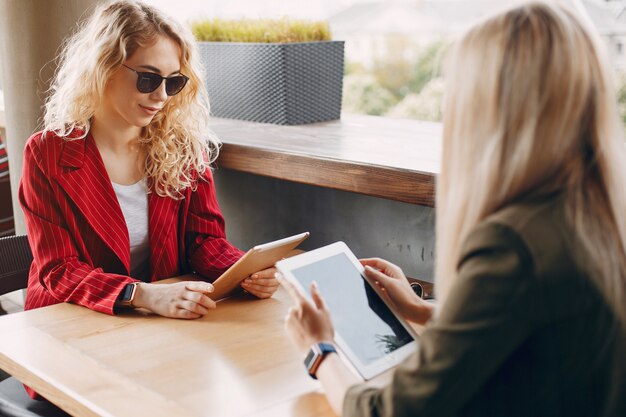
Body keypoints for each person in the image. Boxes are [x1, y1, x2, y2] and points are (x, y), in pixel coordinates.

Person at [280, 2, 626, 416]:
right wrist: (425, 310)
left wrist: (321, 350)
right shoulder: (595, 214)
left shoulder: (513, 245)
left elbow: (389, 411)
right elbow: (537, 321)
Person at [19, 2, 279, 326]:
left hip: (158, 323)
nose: (161, 97)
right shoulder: (48, 153)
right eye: (148, 79)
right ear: (104, 67)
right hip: (67, 322)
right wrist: (142, 295)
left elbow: (204, 241)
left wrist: (245, 271)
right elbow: (59, 270)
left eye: (173, 82)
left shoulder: (182, 147)